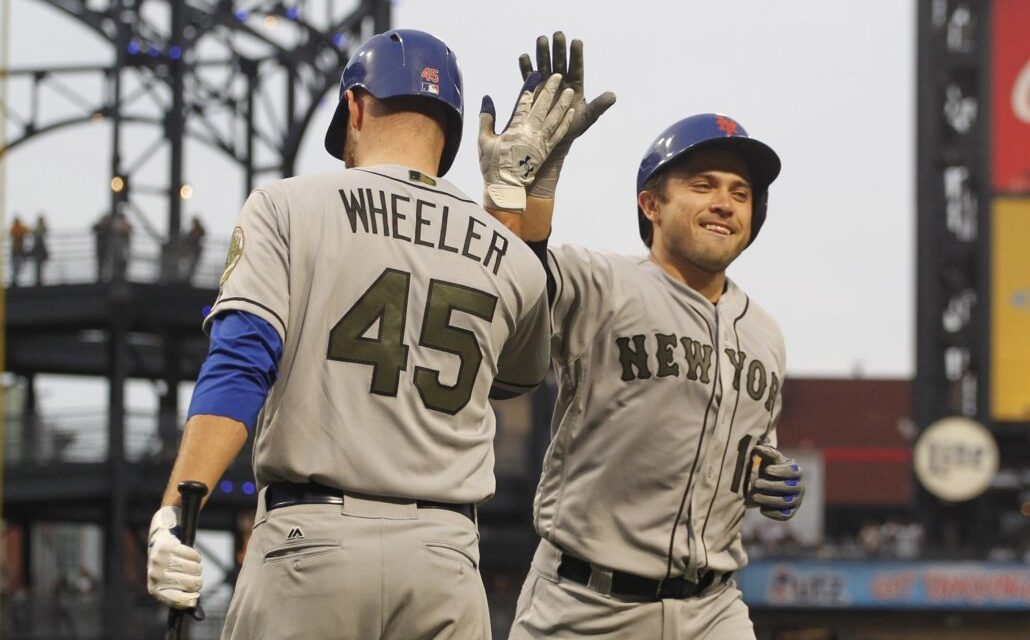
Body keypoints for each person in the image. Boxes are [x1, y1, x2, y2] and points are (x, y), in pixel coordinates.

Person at [146, 29, 575, 639]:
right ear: (452, 133)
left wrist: (176, 509)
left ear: (355, 105)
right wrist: (510, 208)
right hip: (444, 562)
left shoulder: (286, 206)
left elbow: (241, 365)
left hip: (312, 548)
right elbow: (513, 375)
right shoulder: (509, 252)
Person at [484, 33, 807, 640]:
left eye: (741, 193)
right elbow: (511, 279)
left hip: (714, 609)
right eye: (703, 185)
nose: (726, 203)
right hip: (586, 604)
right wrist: (522, 189)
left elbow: (746, 451)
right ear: (651, 205)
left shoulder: (766, 335)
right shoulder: (601, 280)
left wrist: (768, 471)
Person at [182, 215, 206, 282]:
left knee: (192, 264)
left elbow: (200, 234)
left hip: (195, 249)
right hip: (192, 249)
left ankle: (189, 278)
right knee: (191, 264)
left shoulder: (199, 229)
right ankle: (188, 278)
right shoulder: (195, 229)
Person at [9, 214, 30, 286]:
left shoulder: (19, 228)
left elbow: (28, 230)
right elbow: (12, 233)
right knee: (16, 265)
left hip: (18, 250)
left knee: (17, 265)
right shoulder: (15, 228)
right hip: (16, 250)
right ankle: (15, 280)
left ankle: (15, 280)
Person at [92, 212, 112, 280]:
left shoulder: (109, 228)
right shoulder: (99, 226)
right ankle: (100, 277)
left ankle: (105, 277)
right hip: (101, 248)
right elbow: (93, 228)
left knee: (107, 263)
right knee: (101, 263)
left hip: (107, 248)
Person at [31, 212, 49, 285]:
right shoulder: (40, 227)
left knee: (38, 266)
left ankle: (39, 280)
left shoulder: (37, 227)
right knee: (39, 266)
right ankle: (39, 280)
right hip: (39, 248)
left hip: (38, 248)